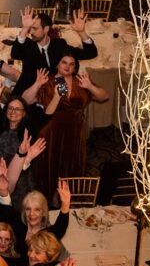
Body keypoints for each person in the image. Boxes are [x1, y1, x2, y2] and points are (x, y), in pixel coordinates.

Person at [26, 56, 109, 201]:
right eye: (64, 62)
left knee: (71, 167)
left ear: (75, 68)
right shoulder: (48, 81)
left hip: (74, 134)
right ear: (57, 65)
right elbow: (26, 100)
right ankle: (49, 200)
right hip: (51, 133)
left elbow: (105, 96)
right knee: (51, 167)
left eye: (71, 64)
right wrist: (37, 84)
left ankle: (68, 200)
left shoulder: (81, 82)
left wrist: (90, 86)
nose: (67, 66)